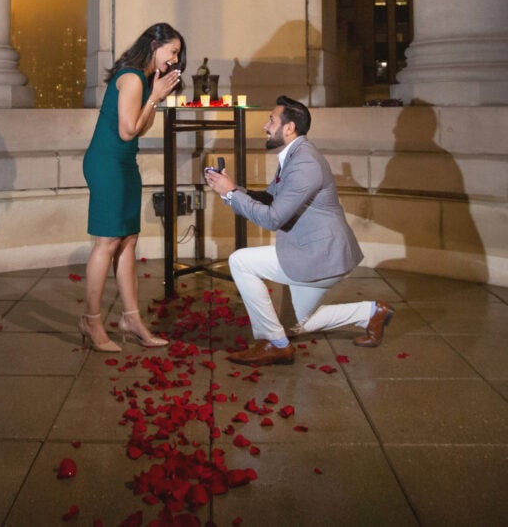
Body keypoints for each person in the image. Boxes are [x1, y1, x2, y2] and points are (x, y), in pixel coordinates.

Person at [204, 95, 394, 366]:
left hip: (319, 255)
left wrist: (232, 194)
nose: (265, 126)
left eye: (271, 119)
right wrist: (230, 189)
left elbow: (273, 219)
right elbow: (270, 198)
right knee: (296, 325)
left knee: (240, 261)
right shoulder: (294, 155)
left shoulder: (305, 163)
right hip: (315, 251)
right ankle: (372, 312)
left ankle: (275, 345)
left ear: (289, 127)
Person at [80, 22, 186, 352]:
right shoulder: (131, 77)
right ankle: (91, 320)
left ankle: (131, 319)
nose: (175, 60)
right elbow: (128, 131)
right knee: (108, 242)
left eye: (178, 55)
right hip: (107, 163)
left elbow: (139, 128)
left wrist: (156, 97)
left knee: (128, 241)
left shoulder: (143, 80)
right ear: (155, 45)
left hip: (124, 163)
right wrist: (154, 96)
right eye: (173, 51)